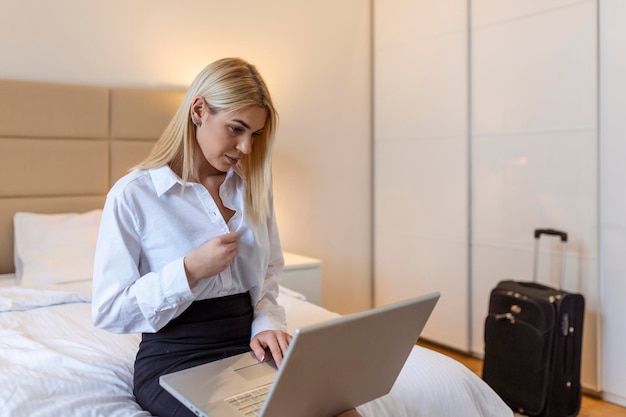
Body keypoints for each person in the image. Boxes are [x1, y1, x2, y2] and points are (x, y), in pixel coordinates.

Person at [92, 57, 362, 417]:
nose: (246, 148)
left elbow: (269, 272)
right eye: (236, 129)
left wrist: (266, 322)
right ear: (199, 110)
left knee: (341, 409)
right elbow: (110, 310)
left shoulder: (252, 188)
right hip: (176, 358)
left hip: (250, 345)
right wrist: (188, 270)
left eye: (255, 135)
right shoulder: (134, 195)